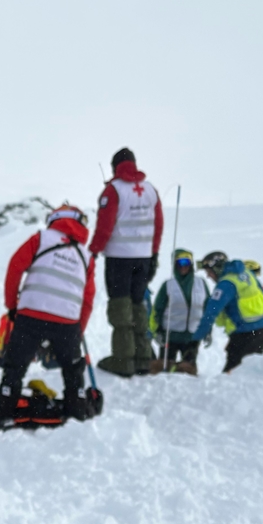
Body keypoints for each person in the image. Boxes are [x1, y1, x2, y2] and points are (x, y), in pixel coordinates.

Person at [0, 205, 98, 429]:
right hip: (67, 322)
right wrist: (77, 332)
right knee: (72, 370)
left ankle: (5, 413)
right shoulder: (86, 256)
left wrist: (12, 306)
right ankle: (76, 411)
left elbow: (15, 267)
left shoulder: (41, 239)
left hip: (31, 315)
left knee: (15, 367)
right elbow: (88, 299)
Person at [89, 148, 164, 378]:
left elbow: (105, 225)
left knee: (120, 307)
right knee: (138, 304)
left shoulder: (114, 190)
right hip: (144, 258)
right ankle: (143, 358)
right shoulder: (150, 190)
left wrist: (93, 251)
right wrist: (153, 254)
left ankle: (123, 360)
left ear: (115, 167)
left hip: (119, 258)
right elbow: (158, 225)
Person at [193, 251, 263, 373]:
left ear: (217, 268)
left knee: (233, 372)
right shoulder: (247, 273)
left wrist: (197, 337)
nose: (208, 276)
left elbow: (211, 312)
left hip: (245, 332)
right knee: (250, 369)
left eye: (209, 272)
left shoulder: (226, 284)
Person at [149, 249, 208, 375]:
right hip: (170, 336)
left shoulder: (201, 284)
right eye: (179, 263)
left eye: (186, 262)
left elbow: (208, 308)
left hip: (192, 337)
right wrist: (156, 331)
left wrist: (207, 330)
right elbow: (157, 310)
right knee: (163, 369)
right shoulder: (168, 285)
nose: (183, 266)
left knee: (188, 370)